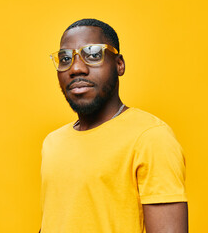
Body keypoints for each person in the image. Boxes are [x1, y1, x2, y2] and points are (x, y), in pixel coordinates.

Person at [39, 18, 188, 233]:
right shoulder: (52, 142)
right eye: (65, 58)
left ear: (119, 64)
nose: (76, 68)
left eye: (93, 54)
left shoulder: (150, 138)